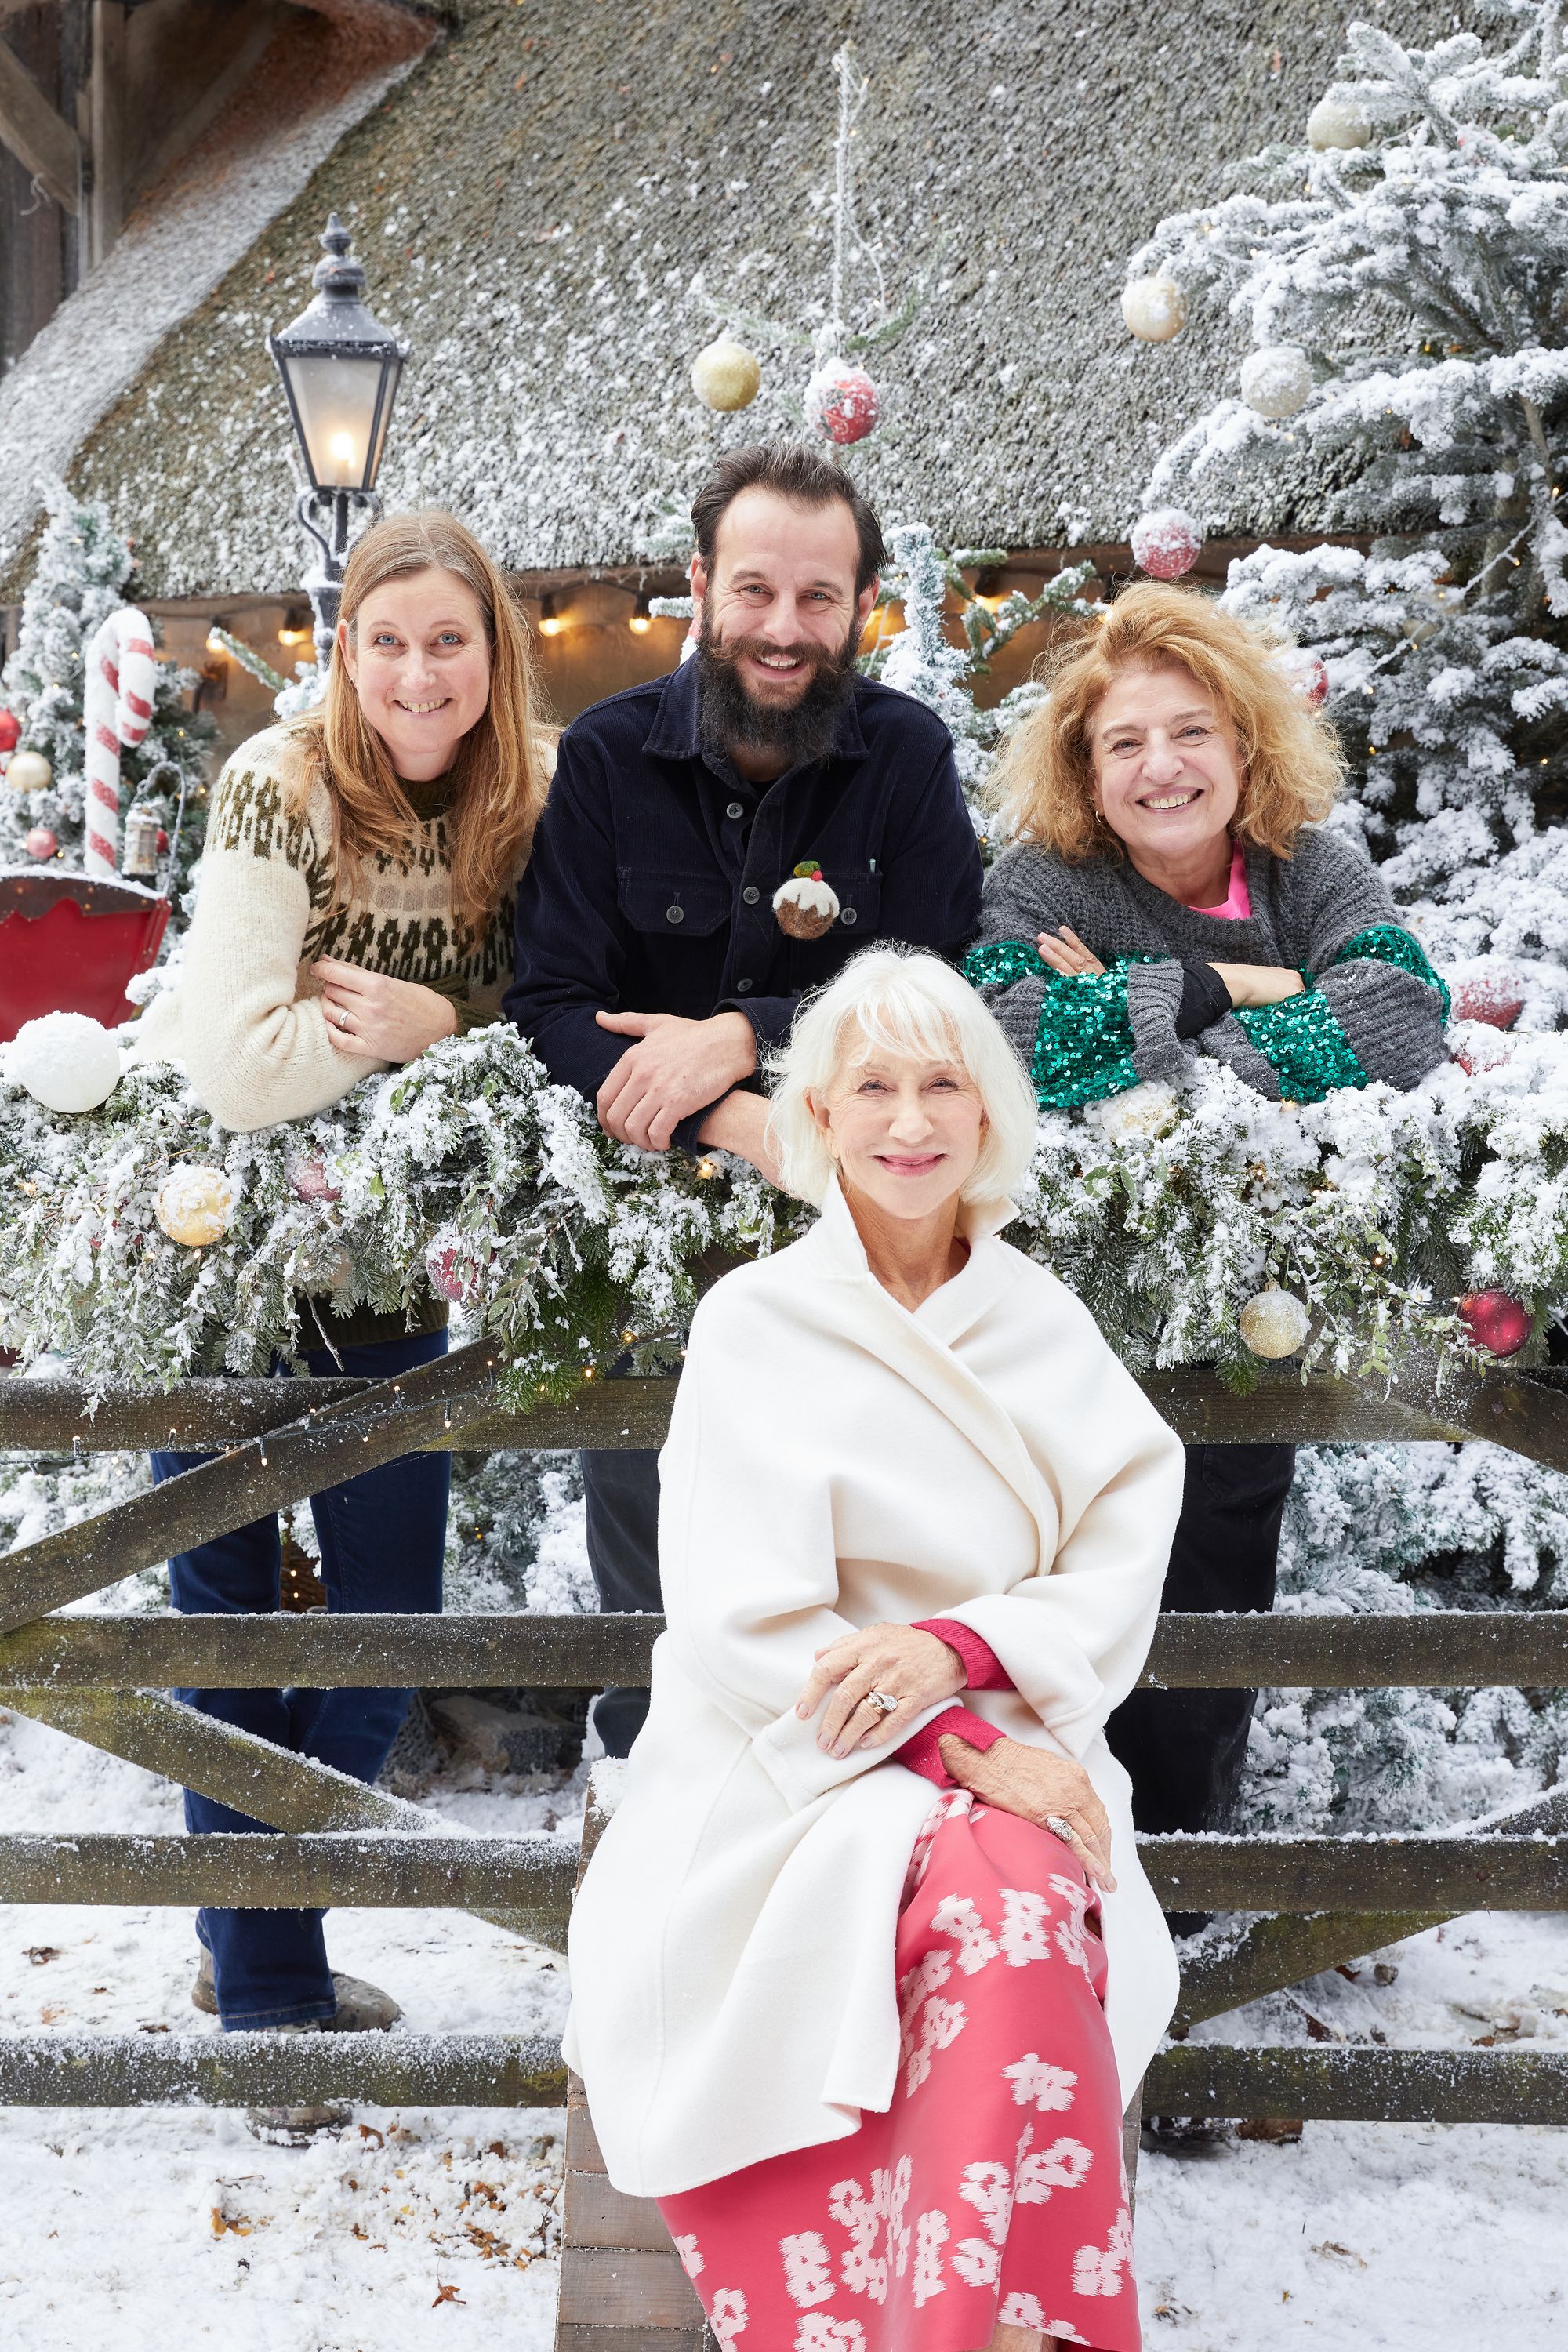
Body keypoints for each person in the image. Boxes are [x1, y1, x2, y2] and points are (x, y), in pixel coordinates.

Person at [566, 947, 1185, 2352]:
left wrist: (966, 1651)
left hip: (1008, 1707)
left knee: (1026, 1906)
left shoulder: (1042, 1321)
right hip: (791, 1743)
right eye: (876, 1089)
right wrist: (943, 1740)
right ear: (822, 1116)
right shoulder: (757, 1322)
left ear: (987, 1116)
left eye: (944, 1087)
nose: (911, 1123)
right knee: (970, 1896)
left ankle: (978, 2324)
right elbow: (736, 1612)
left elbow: (1118, 1543)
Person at [136, 509, 552, 2141]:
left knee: (386, 1619)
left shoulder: (528, 802)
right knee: (226, 1627)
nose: (415, 672)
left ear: (490, 651)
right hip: (220, 1261)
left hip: (388, 1279)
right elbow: (228, 1070)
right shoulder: (277, 784)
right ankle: (268, 2000)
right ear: (346, 649)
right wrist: (403, 1049)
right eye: (385, 640)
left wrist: (443, 1021)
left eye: (447, 639)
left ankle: (255, 1948)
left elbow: (554, 1017)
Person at [964, 583, 1450, 1900]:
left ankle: (1183, 1932)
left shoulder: (1312, 866)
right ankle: (1058, 1935)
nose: (1160, 767)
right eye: (1124, 743)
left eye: (1189, 733)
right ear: (1085, 767)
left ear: (1243, 744)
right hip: (1060, 1334)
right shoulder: (1042, 879)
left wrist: (1155, 1020)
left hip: (1250, 1328)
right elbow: (1008, 1041)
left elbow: (1405, 1015)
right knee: (1053, 1637)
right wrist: (1243, 982)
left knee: (1205, 1644)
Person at [506, 442, 984, 1756]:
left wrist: (744, 1035)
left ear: (861, 606)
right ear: (703, 586)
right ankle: (654, 1802)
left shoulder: (906, 755)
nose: (784, 630)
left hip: (860, 1240)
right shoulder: (607, 761)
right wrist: (727, 1114)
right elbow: (548, 1001)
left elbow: (947, 988)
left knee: (855, 1549)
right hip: (652, 1249)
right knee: (654, 1548)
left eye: (818, 598)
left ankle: (843, 1806)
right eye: (757, 591)